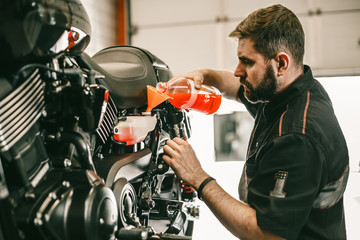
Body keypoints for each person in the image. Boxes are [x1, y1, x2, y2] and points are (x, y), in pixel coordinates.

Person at [162, 4, 349, 240]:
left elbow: (267, 235)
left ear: (281, 64)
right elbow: (233, 86)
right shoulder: (288, 92)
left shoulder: (297, 136)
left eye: (247, 62)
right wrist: (205, 74)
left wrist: (197, 177)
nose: (237, 71)